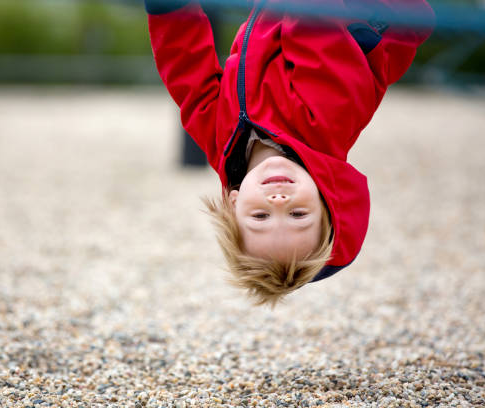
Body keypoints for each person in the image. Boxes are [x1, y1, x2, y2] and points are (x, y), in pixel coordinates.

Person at [145, 0, 434, 305]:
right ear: (324, 200)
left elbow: (189, 73)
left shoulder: (223, 144)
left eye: (261, 216)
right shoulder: (324, 119)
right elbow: (313, 21)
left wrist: (170, 11)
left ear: (234, 203)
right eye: (298, 214)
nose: (279, 201)